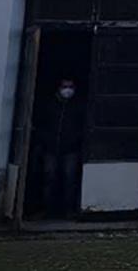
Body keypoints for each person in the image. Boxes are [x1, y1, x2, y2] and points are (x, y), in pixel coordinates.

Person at [36, 77, 84, 218]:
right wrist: (43, 142)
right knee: (48, 179)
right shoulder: (50, 105)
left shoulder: (78, 106)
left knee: (70, 180)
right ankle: (46, 209)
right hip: (50, 148)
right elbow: (42, 125)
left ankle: (69, 210)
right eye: (65, 86)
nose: (67, 90)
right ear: (59, 88)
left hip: (71, 149)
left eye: (70, 87)